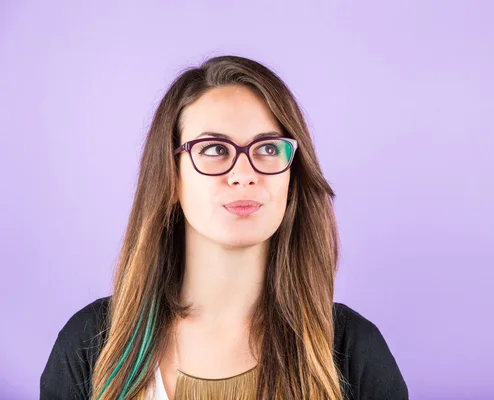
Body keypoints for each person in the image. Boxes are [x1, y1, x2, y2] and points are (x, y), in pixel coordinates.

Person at [40, 55, 409, 400]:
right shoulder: (89, 344)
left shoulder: (353, 349)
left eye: (267, 149)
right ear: (170, 178)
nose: (244, 175)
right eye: (214, 149)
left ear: (291, 179)